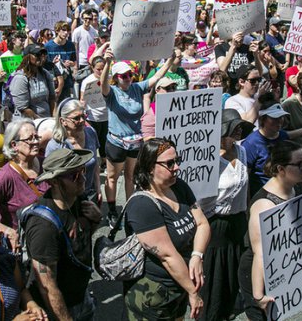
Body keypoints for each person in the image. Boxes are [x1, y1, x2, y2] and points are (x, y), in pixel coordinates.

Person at [124, 138, 211, 320]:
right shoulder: (142, 206)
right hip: (154, 293)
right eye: (169, 163)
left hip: (179, 285)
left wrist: (197, 256)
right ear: (149, 167)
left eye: (177, 161)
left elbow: (202, 223)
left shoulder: (179, 186)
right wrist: (193, 292)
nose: (177, 167)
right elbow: (167, 256)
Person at [100, 47, 177, 226]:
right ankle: (112, 211)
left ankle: (128, 209)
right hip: (116, 141)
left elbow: (157, 78)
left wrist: (170, 59)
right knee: (112, 177)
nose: (127, 78)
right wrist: (108, 63)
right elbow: (103, 84)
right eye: (122, 76)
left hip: (135, 143)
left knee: (130, 177)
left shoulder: (137, 88)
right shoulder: (111, 92)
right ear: (116, 78)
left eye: (129, 75)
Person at [26, 148, 102, 321]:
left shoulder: (79, 198)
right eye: (73, 175)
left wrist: (96, 220)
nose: (82, 178)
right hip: (60, 308)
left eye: (82, 171)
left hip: (82, 297)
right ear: (54, 182)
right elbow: (48, 286)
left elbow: (81, 239)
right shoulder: (43, 227)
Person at [238, 140, 302, 321]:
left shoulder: (294, 187)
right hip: (258, 273)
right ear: (280, 169)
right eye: (300, 164)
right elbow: (260, 254)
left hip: (280, 267)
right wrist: (258, 295)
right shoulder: (264, 205)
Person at [198, 110, 254, 321]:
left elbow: (245, 189)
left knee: (233, 277)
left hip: (238, 223)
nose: (240, 130)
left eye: (241, 126)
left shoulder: (242, 152)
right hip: (215, 226)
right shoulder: (207, 158)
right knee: (214, 281)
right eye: (235, 126)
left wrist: (248, 215)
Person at [0, 119, 49, 248]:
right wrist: (8, 231)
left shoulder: (46, 164)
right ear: (14, 145)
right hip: (23, 245)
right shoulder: (6, 176)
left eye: (37, 137)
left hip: (47, 238)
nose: (36, 141)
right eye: (29, 139)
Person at [46, 99, 101, 204]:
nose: (82, 121)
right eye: (76, 118)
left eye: (83, 116)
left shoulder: (91, 133)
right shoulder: (55, 146)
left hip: (90, 194)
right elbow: (51, 179)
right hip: (67, 199)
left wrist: (98, 188)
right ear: (63, 121)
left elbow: (95, 165)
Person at [9, 44, 56, 119]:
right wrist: (39, 121)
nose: (41, 57)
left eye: (43, 54)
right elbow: (23, 108)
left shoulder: (45, 74)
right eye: (37, 54)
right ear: (27, 57)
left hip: (46, 119)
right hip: (27, 120)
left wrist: (54, 118)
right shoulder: (21, 78)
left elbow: (52, 98)